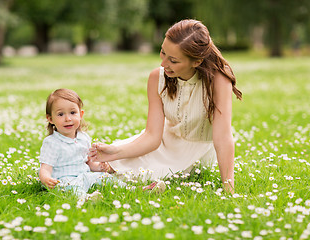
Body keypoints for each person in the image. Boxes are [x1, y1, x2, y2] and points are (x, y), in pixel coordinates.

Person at [88, 19, 242, 193]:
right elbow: (152, 136)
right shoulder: (157, 77)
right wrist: (114, 152)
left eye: (173, 61)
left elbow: (222, 139)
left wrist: (229, 189)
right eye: (162, 53)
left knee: (138, 171)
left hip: (194, 152)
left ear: (196, 62)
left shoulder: (219, 80)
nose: (163, 64)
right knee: (97, 162)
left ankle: (133, 187)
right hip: (163, 142)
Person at [38, 88, 115, 198]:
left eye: (73, 113)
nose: (68, 118)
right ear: (50, 119)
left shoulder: (84, 138)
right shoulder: (52, 142)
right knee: (73, 190)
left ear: (80, 114)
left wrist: (99, 167)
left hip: (84, 176)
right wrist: (46, 179)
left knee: (106, 177)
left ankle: (132, 189)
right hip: (65, 180)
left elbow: (88, 162)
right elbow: (45, 168)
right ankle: (87, 198)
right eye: (60, 114)